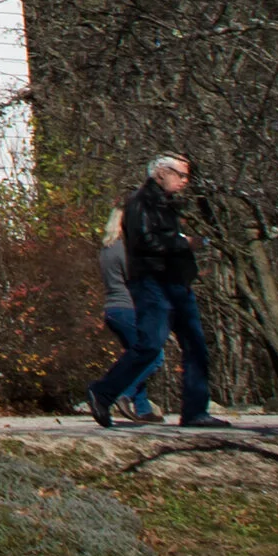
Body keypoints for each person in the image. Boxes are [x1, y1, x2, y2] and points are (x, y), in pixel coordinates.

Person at [88, 153, 232, 431]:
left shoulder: (166, 204)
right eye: (180, 175)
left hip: (176, 283)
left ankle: (194, 411)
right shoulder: (140, 202)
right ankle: (103, 392)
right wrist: (185, 243)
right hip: (153, 283)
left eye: (187, 176)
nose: (185, 181)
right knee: (150, 345)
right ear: (161, 173)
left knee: (196, 347)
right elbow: (146, 241)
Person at [97, 206, 155, 424]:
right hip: (129, 308)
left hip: (112, 310)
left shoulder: (106, 249)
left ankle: (143, 408)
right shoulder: (126, 249)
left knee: (136, 356)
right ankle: (121, 394)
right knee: (153, 355)